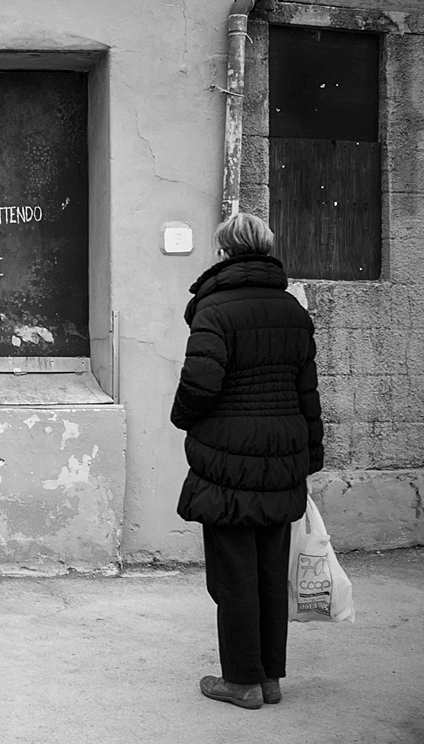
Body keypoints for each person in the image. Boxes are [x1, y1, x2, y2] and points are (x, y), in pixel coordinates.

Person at [170, 212, 323, 710]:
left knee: (233, 574)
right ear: (266, 248)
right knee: (270, 572)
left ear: (223, 251)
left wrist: (182, 418)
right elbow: (307, 391)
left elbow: (201, 382)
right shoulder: (292, 309)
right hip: (282, 456)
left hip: (228, 459)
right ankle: (269, 678)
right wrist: (310, 456)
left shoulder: (214, 308)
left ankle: (241, 682)